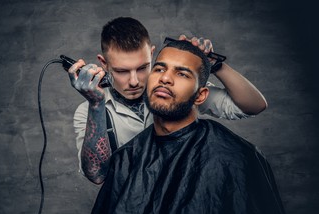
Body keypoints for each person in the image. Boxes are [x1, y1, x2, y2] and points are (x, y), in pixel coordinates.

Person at [75, 39, 297, 214]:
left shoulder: (232, 158)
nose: (165, 78)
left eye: (181, 74)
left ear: (200, 96)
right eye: (159, 68)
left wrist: (215, 64)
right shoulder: (127, 157)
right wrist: (97, 103)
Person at [69, 17, 267, 184]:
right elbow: (97, 175)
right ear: (104, 63)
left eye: (142, 68)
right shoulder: (88, 111)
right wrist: (96, 105)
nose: (134, 81)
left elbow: (254, 106)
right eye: (122, 71)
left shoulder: (174, 92)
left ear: (152, 54)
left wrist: (215, 66)